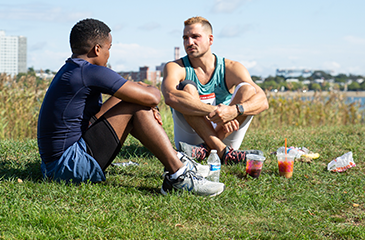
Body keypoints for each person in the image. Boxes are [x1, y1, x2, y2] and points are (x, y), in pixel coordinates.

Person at [37, 18, 225, 197]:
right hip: (66, 167)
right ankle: (178, 176)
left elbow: (133, 93)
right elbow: (153, 97)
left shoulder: (73, 68)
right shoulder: (91, 72)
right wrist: (148, 101)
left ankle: (176, 159)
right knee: (137, 107)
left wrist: (144, 98)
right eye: (108, 49)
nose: (109, 54)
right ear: (97, 49)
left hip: (55, 165)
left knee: (129, 100)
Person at [161, 16, 269, 164]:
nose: (189, 42)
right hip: (190, 138)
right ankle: (223, 152)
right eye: (185, 38)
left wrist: (235, 111)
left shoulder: (231, 67)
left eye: (195, 37)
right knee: (186, 89)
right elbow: (170, 96)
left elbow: (263, 101)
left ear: (210, 39)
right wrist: (217, 111)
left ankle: (206, 149)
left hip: (225, 132)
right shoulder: (175, 67)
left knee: (248, 90)